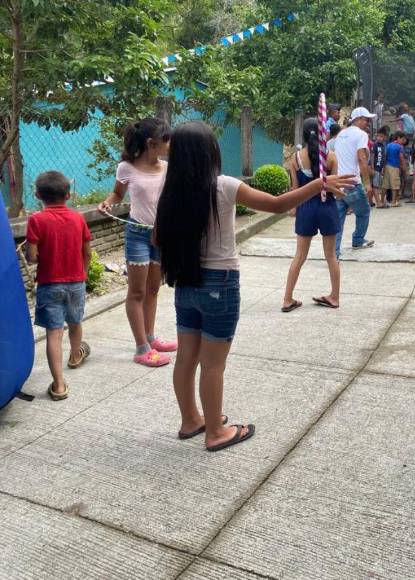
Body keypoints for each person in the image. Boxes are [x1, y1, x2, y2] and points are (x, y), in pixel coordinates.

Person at [154, 121, 355, 452]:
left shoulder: (171, 190)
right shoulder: (225, 186)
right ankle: (216, 433)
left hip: (185, 283)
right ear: (210, 153)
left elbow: (157, 237)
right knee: (214, 364)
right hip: (220, 283)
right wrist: (319, 183)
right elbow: (277, 205)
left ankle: (191, 419)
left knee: (186, 360)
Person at [98, 118, 177, 367]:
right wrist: (107, 203)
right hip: (137, 234)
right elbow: (117, 194)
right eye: (166, 140)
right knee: (137, 291)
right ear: (151, 143)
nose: (169, 144)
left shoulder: (166, 167)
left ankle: (151, 337)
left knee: (154, 289)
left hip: (161, 234)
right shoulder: (126, 168)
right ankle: (141, 348)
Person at [25, 171, 92, 400]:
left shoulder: (36, 220)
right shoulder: (78, 218)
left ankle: (60, 386)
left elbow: (32, 257)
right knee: (75, 322)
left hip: (49, 284)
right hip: (76, 282)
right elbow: (88, 252)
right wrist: (82, 274)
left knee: (54, 334)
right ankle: (75, 356)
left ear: (37, 195)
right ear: (69, 194)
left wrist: (33, 248)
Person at [282, 118, 343, 312]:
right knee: (331, 255)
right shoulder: (331, 156)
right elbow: (335, 188)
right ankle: (334, 296)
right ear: (322, 132)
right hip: (327, 207)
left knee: (299, 255)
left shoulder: (295, 158)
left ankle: (287, 299)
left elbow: (295, 189)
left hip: (306, 208)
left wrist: (293, 208)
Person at [332, 106, 376, 256]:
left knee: (338, 220)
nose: (368, 123)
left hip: (339, 184)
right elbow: (362, 158)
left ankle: (334, 252)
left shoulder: (341, 134)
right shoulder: (361, 135)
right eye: (366, 119)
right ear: (358, 119)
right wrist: (367, 183)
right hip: (352, 183)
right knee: (364, 212)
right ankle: (358, 240)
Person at [383, 131, 407, 208]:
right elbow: (401, 158)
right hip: (395, 167)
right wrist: (404, 168)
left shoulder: (388, 145)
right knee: (395, 186)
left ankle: (381, 201)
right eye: (402, 139)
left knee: (385, 185)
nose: (403, 141)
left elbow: (385, 155)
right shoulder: (400, 147)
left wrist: (384, 166)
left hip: (387, 166)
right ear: (398, 138)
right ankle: (394, 202)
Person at [372, 126, 389, 208]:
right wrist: (372, 167)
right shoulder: (375, 145)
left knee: (376, 186)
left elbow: (383, 158)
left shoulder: (383, 146)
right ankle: (378, 203)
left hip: (379, 169)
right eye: (377, 136)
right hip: (375, 168)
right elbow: (372, 156)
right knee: (375, 186)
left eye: (381, 136)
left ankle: (373, 201)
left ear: (385, 137)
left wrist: (383, 168)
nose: (379, 138)